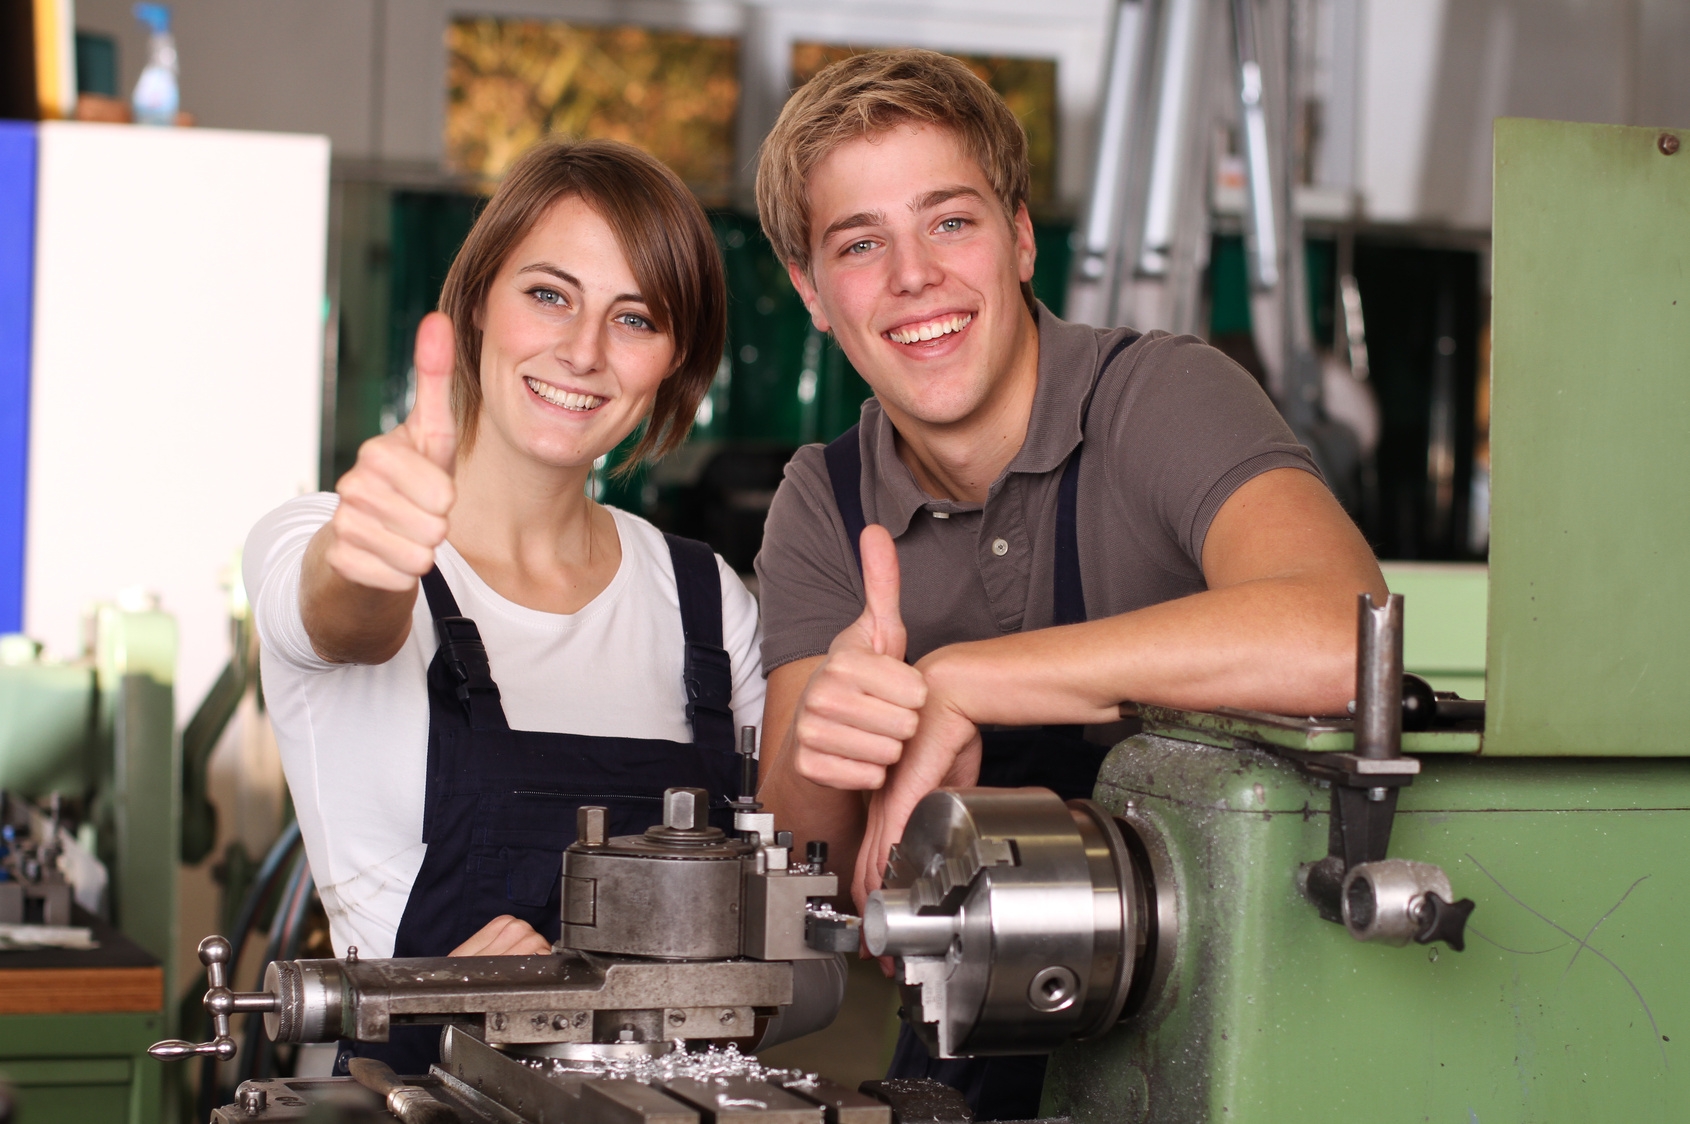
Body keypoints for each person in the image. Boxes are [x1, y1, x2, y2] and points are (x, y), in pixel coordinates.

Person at [750, 50, 1386, 1117]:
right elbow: (801, 896)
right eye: (861, 244)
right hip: (965, 1052)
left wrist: (961, 683)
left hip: (1235, 1035)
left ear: (1021, 237)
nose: (913, 275)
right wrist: (829, 740)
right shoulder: (823, 500)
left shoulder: (1160, 397)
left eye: (950, 221)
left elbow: (1345, 635)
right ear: (814, 294)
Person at [244, 138, 762, 1075]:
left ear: (675, 366)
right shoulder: (323, 537)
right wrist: (370, 563)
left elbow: (771, 946)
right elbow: (342, 615)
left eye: (636, 318)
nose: (583, 351)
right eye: (550, 294)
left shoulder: (706, 601)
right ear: (478, 298)